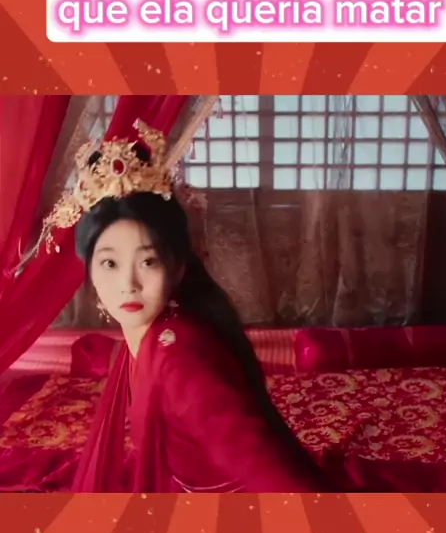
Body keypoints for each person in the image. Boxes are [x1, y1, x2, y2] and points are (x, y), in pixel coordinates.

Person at [41, 120, 329, 493]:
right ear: (90, 271)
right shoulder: (148, 331)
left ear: (177, 268)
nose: (128, 284)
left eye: (147, 261)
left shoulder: (180, 358)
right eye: (110, 263)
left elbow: (266, 468)